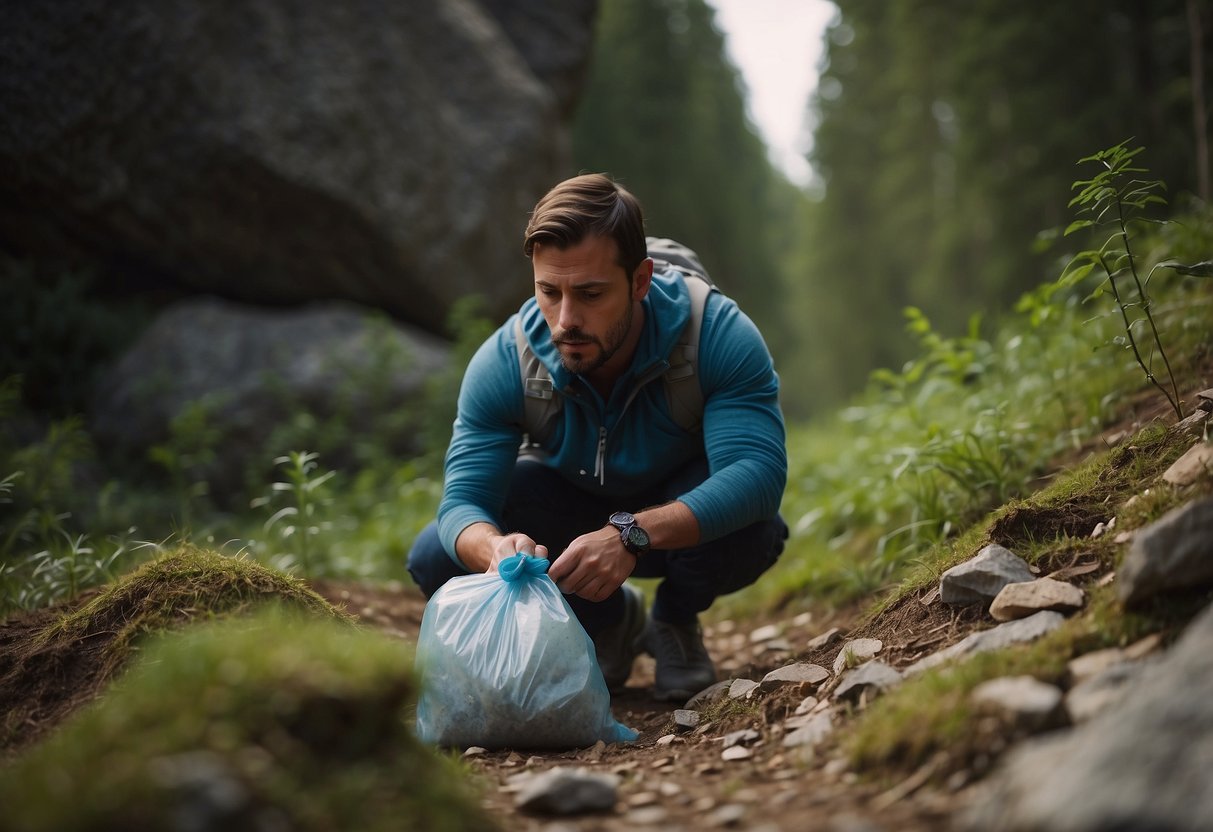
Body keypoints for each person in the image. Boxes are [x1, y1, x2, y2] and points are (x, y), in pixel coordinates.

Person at [407, 173, 788, 702]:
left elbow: (759, 475)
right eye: (549, 291)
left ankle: (674, 620)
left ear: (639, 281)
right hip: (569, 511)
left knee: (754, 527)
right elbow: (462, 505)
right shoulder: (506, 360)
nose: (566, 319)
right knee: (436, 556)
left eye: (590, 294)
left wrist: (631, 533)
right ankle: (610, 620)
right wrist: (493, 548)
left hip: (676, 518)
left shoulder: (714, 331)